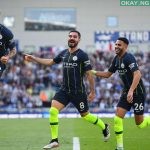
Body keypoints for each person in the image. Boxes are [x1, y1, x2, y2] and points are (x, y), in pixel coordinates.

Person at [24, 30, 110, 149]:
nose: (72, 38)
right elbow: (50, 62)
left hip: (78, 92)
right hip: (64, 90)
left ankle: (104, 127)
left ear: (79, 40)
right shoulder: (64, 53)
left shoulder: (82, 55)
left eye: (75, 37)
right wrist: (34, 58)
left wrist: (93, 91)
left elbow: (89, 74)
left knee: (86, 116)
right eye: (70, 36)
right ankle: (54, 140)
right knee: (53, 111)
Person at [91, 37, 150, 150]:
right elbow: (108, 74)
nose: (116, 46)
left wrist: (132, 91)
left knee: (140, 124)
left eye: (119, 45)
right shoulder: (116, 59)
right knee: (118, 118)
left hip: (138, 92)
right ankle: (119, 147)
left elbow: (137, 74)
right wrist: (92, 71)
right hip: (126, 91)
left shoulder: (129, 57)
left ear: (125, 46)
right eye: (116, 44)